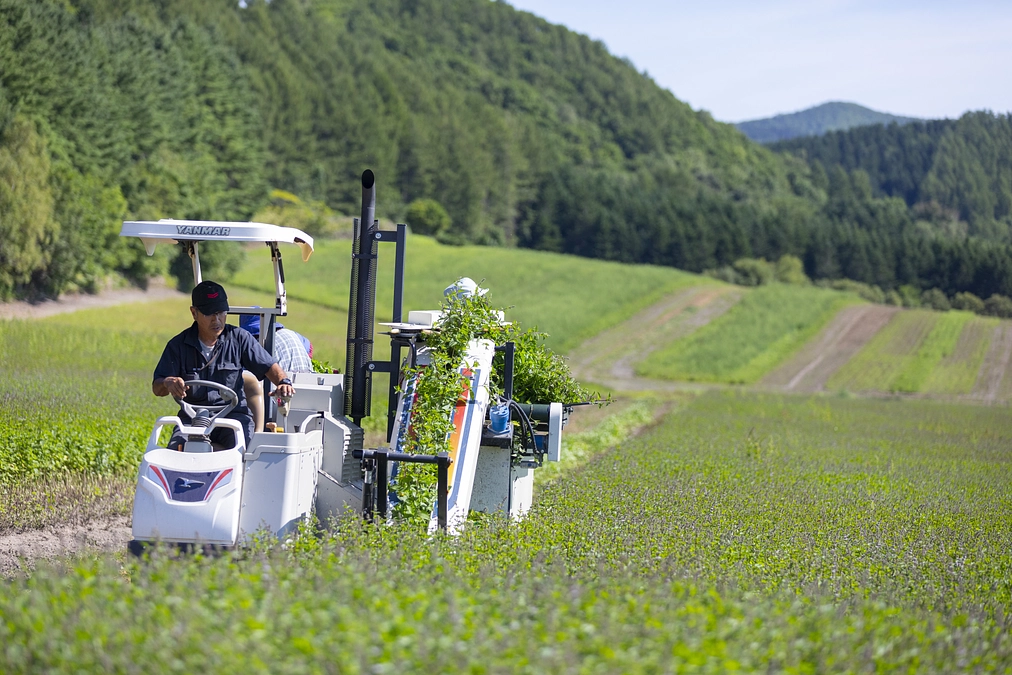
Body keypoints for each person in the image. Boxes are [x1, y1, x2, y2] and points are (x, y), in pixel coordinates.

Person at [152, 280, 295, 450]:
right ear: (194, 313)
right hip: (192, 418)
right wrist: (168, 383)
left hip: (232, 417)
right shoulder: (177, 345)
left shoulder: (239, 338)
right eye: (209, 313)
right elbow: (157, 388)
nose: (217, 319)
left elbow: (269, 366)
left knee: (242, 453)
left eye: (221, 312)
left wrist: (283, 383)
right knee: (176, 453)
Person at [238, 312, 313, 433]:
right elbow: (310, 349)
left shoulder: (260, 343)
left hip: (281, 395)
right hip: (307, 390)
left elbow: (248, 375)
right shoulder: (292, 334)